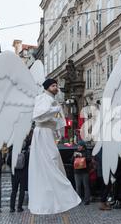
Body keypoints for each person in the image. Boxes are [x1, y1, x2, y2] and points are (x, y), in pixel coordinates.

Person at [28, 78, 81, 215]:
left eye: (56, 85)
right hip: (43, 133)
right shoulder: (43, 98)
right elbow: (39, 115)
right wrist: (56, 109)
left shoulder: (52, 100)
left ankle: (59, 194)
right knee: (50, 159)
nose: (56, 87)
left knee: (54, 160)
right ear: (47, 87)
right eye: (53, 85)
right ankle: (58, 191)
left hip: (48, 133)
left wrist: (58, 129)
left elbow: (57, 120)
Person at [7, 132, 32, 213]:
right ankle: (19, 207)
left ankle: (11, 208)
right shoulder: (26, 153)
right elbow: (28, 163)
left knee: (14, 190)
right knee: (21, 191)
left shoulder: (12, 152)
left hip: (14, 174)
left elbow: (7, 162)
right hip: (23, 174)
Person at [72, 140, 92, 205]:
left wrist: (82, 156)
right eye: (78, 146)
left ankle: (87, 200)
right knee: (78, 186)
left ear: (83, 146)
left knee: (86, 186)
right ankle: (78, 200)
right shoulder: (75, 152)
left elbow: (89, 159)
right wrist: (74, 156)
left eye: (79, 146)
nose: (78, 147)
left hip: (85, 172)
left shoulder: (87, 152)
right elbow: (71, 160)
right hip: (77, 172)